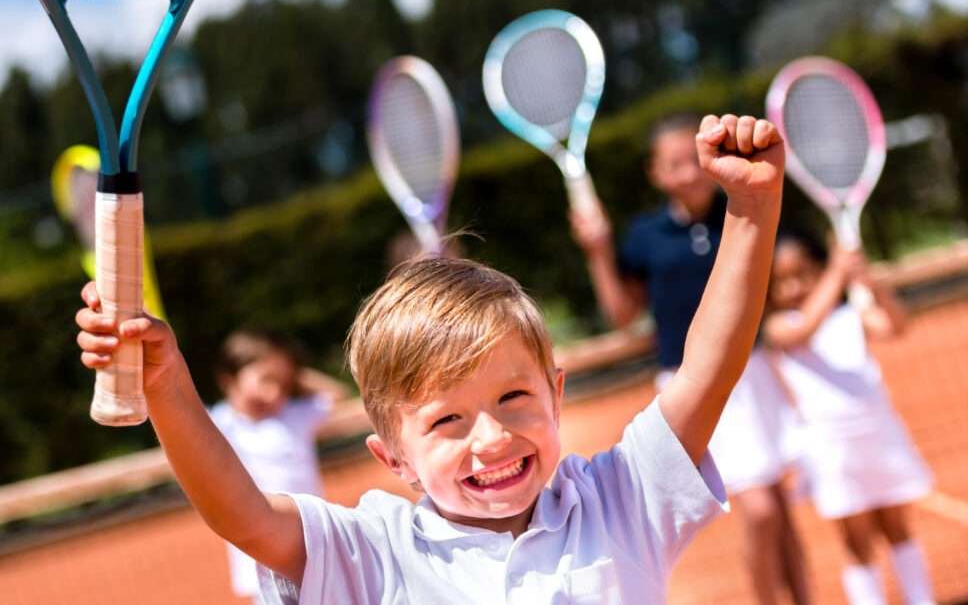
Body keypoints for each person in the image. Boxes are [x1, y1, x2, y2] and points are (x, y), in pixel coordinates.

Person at [75, 114, 784, 604]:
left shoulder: (619, 499)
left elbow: (707, 367)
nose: (493, 436)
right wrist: (168, 384)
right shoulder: (373, 551)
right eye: (447, 419)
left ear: (556, 391)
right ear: (394, 459)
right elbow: (243, 515)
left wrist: (750, 210)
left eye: (514, 398)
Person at [570, 113, 809, 604]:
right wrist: (597, 250)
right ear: (655, 174)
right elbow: (621, 313)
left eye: (692, 160)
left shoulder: (742, 212)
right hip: (693, 387)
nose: (688, 173)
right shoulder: (644, 236)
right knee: (760, 508)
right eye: (672, 164)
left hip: (757, 372)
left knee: (781, 507)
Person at [763, 231, 935, 605]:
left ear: (818, 270)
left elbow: (895, 327)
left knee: (897, 526)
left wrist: (870, 283)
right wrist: (837, 275)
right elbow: (801, 332)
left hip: (878, 437)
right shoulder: (781, 328)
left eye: (803, 274)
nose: (793, 287)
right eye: (781, 282)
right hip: (832, 449)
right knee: (857, 540)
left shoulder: (850, 315)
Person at [208, 330, 348, 601]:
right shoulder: (221, 423)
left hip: (313, 540)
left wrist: (292, 374)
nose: (274, 391)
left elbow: (337, 395)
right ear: (229, 380)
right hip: (259, 554)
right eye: (265, 380)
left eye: (282, 384)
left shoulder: (295, 415)